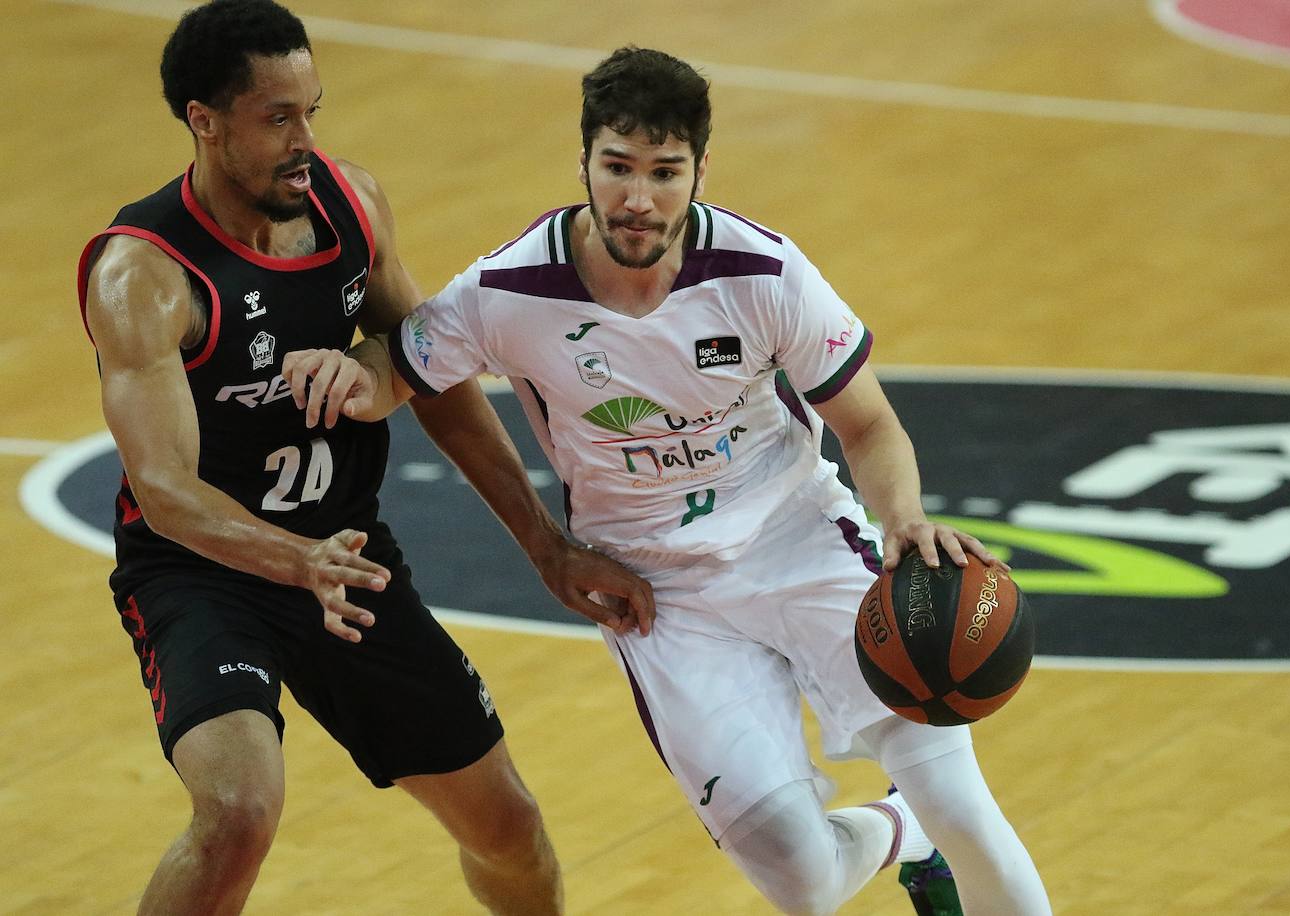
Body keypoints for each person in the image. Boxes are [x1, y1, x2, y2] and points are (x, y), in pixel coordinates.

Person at [287, 47, 1051, 915]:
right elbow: (399, 369)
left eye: (664, 171)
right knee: (803, 882)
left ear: (700, 170)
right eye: (617, 167)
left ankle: (932, 823)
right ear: (583, 162)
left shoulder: (764, 273)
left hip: (798, 540)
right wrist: (351, 376)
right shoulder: (508, 290)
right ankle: (903, 832)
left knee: (961, 805)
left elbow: (868, 424)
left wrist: (903, 515)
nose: (638, 199)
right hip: (659, 593)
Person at [77, 3, 653, 914]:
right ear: (204, 121)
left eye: (312, 111)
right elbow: (165, 491)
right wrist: (294, 561)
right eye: (278, 118)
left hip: (346, 557)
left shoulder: (350, 205)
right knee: (238, 812)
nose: (305, 141)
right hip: (204, 576)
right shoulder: (144, 275)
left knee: (507, 827)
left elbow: (436, 377)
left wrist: (545, 545)